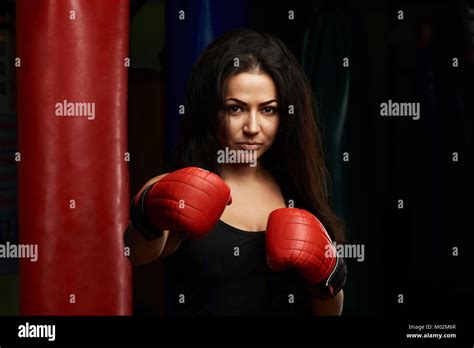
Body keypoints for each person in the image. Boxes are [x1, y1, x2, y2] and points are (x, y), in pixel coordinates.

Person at [125, 28, 348, 316]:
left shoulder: (296, 188)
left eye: (268, 110)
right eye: (235, 109)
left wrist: (326, 277)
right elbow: (134, 252)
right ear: (211, 110)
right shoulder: (181, 187)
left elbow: (329, 312)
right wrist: (152, 211)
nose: (252, 127)